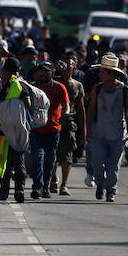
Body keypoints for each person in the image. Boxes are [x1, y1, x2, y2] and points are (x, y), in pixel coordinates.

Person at [85, 53, 128, 202]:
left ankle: (111, 191)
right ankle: (100, 184)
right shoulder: (97, 89)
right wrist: (88, 131)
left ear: (111, 74)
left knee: (113, 165)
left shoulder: (124, 90)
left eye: (102, 72)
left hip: (118, 134)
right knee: (97, 162)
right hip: (99, 133)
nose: (99, 74)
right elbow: (91, 111)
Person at [29, 61, 69, 199]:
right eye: (41, 70)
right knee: (37, 158)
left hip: (53, 130)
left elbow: (66, 105)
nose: (43, 73)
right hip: (36, 129)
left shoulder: (59, 87)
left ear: (52, 72)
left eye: (47, 71)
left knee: (50, 161)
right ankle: (37, 186)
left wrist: (65, 114)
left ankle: (46, 186)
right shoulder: (32, 87)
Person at [0, 57, 31, 203]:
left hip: (6, 130)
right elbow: (28, 105)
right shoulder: (24, 84)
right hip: (20, 130)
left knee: (4, 162)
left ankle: (4, 192)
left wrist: (11, 107)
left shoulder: (11, 85)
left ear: (7, 71)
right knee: (19, 162)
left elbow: (1, 102)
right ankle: (19, 191)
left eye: (3, 70)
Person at [51, 59, 85, 195]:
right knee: (53, 152)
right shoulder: (55, 82)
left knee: (68, 153)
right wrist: (54, 68)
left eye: (69, 63)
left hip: (70, 122)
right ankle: (53, 179)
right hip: (54, 121)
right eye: (64, 63)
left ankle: (64, 184)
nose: (66, 66)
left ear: (74, 66)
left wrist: (84, 130)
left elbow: (81, 109)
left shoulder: (77, 85)